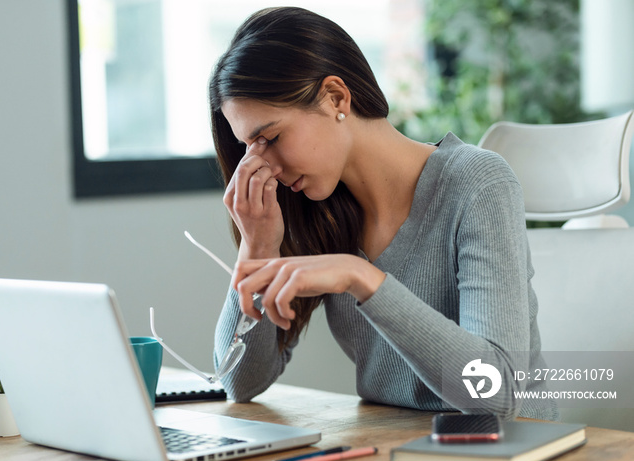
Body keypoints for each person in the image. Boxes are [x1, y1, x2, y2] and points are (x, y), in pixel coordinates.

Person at [208, 6, 558, 421]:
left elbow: (494, 394)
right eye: (249, 147)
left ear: (335, 97)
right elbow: (240, 384)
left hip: (514, 450)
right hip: (396, 446)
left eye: (270, 137)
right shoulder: (324, 212)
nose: (265, 166)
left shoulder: (478, 182)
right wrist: (258, 246)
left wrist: (364, 279)